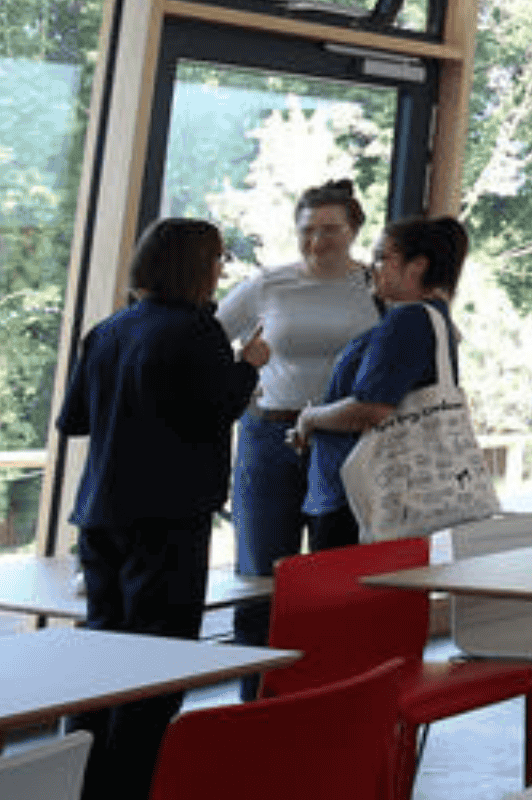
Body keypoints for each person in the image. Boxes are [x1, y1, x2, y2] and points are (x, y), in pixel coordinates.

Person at [57, 218, 261, 800]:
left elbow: (73, 420)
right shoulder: (197, 332)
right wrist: (248, 365)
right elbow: (215, 408)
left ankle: (84, 777)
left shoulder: (107, 330)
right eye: (217, 259)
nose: (222, 269)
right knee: (158, 658)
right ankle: (136, 781)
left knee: (105, 648)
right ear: (197, 266)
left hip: (100, 512)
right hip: (170, 516)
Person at [213, 179, 379, 665]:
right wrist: (244, 372)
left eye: (330, 230)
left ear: (353, 230)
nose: (317, 242)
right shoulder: (270, 283)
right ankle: (255, 703)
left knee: (337, 579)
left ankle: (327, 699)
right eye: (307, 230)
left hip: (345, 438)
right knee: (261, 579)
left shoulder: (373, 286)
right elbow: (207, 338)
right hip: (270, 435)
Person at [289, 216, 469, 549]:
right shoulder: (435, 319)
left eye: (382, 257)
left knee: (345, 594)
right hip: (395, 494)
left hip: (361, 496)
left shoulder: (407, 320)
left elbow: (372, 409)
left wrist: (310, 418)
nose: (372, 268)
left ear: (416, 267)